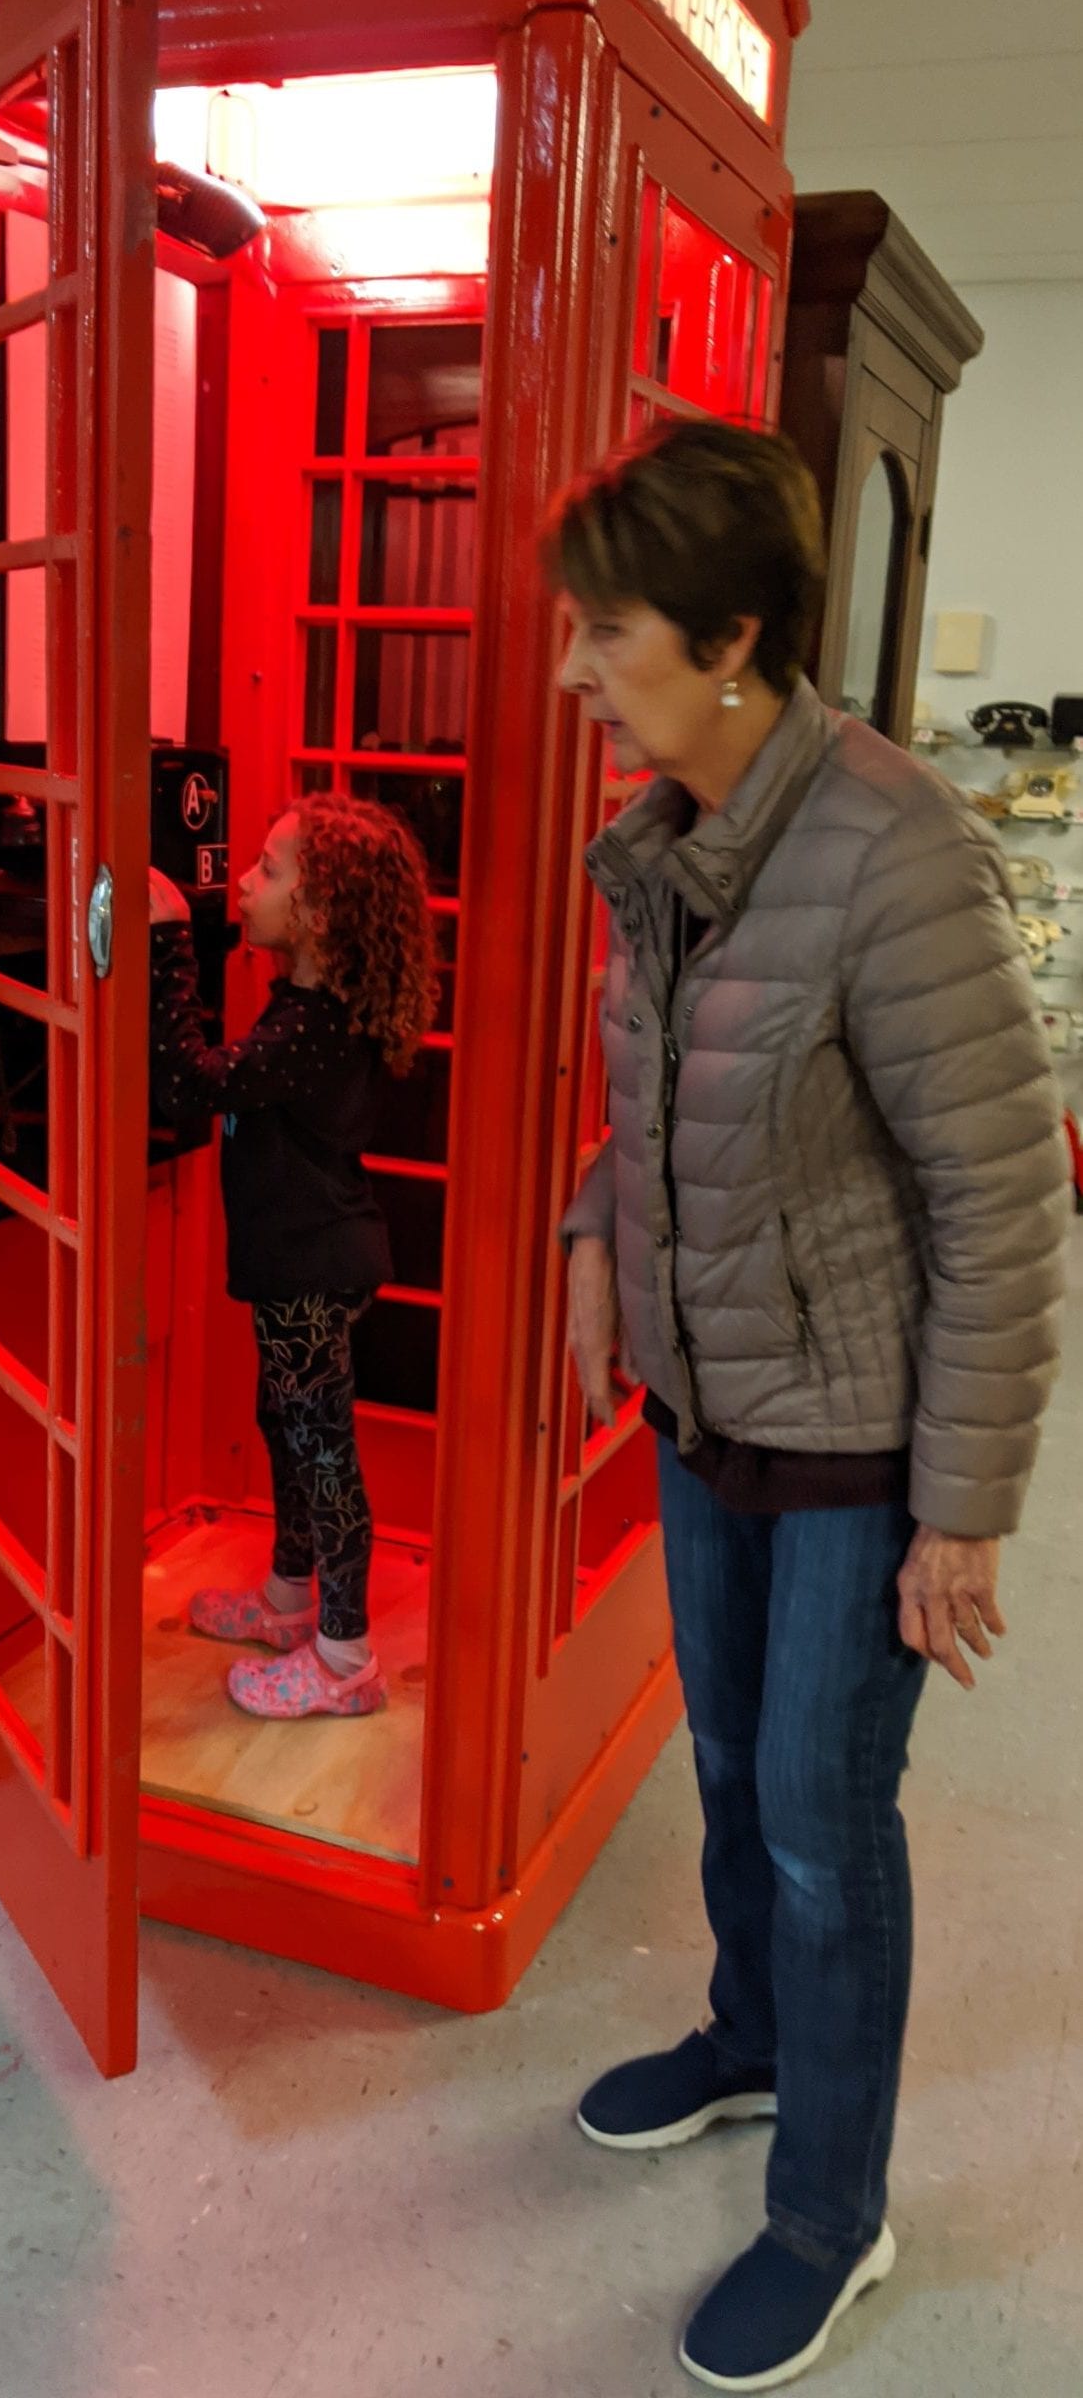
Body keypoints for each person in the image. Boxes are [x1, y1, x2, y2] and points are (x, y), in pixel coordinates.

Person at [548, 417, 1072, 2391]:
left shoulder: (889, 844)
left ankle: (830, 2214)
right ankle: (752, 2041)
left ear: (733, 637)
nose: (578, 670)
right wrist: (601, 1211)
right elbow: (677, 1095)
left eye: (607, 633)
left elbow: (1004, 1194)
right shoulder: (673, 835)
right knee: (741, 1777)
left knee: (825, 1820)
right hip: (711, 1414)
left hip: (860, 1446)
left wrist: (964, 1502)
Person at [148, 793, 437, 1721]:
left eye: (268, 870)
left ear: (317, 916)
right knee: (286, 1428)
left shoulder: (310, 1027)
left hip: (312, 1269)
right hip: (301, 1264)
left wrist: (165, 942)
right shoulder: (309, 1009)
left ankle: (344, 1660)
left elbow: (187, 1079)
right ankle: (287, 1599)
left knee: (321, 1452)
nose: (241, 881)